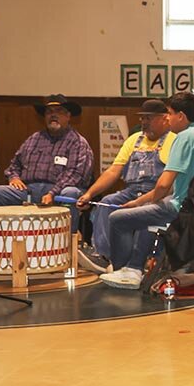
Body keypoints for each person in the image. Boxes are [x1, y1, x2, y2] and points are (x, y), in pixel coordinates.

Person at [99, 92, 194, 289]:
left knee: (117, 218)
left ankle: (127, 271)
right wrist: (138, 202)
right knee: (141, 212)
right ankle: (135, 266)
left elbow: (164, 185)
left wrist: (147, 202)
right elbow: (171, 186)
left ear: (181, 116)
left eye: (170, 114)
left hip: (184, 210)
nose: (167, 117)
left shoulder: (184, 138)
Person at [76, 99, 177, 273]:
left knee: (144, 210)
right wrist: (90, 194)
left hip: (157, 193)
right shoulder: (134, 140)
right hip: (131, 191)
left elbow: (169, 184)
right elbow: (113, 172)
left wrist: (144, 200)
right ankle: (104, 256)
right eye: (143, 118)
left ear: (164, 119)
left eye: (149, 118)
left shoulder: (174, 141)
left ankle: (137, 262)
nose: (144, 123)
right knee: (107, 202)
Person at [0, 94, 93, 233]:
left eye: (59, 111)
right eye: (49, 112)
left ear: (68, 116)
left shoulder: (78, 142)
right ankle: (0, 240)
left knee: (69, 193)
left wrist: (52, 193)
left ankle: (66, 242)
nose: (53, 115)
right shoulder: (34, 139)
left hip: (60, 191)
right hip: (29, 191)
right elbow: (14, 164)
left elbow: (75, 175)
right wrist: (14, 177)